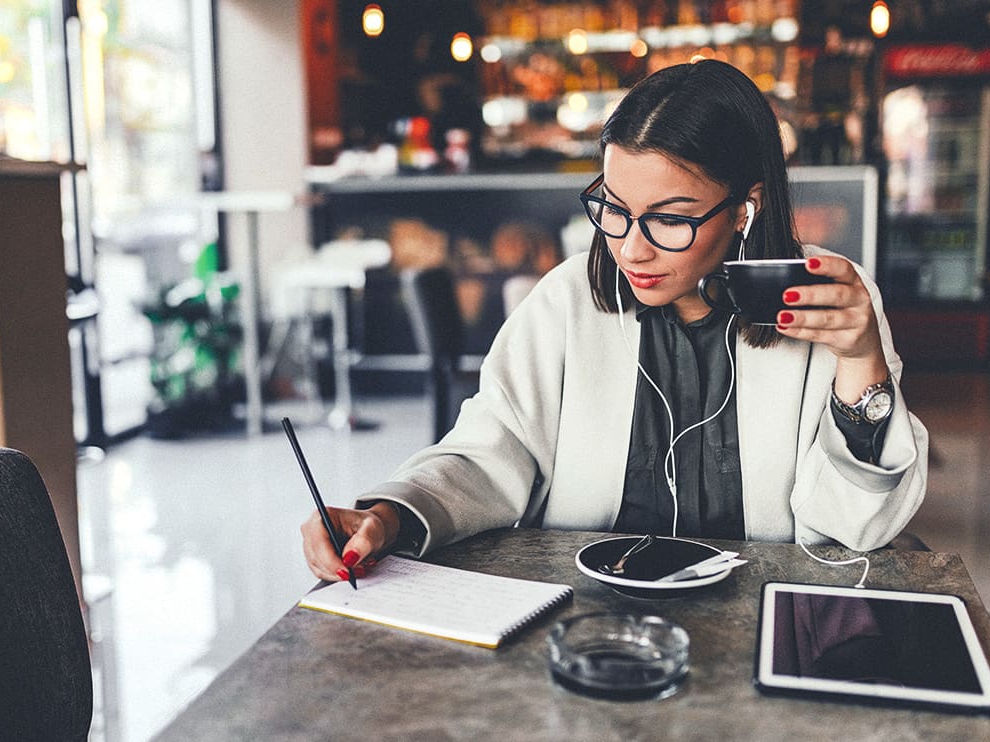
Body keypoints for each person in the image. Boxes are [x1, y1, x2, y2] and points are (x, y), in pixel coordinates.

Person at [302, 60, 928, 585]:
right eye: (615, 209)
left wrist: (862, 362)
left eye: (670, 218)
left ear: (746, 208)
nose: (631, 248)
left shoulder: (824, 302)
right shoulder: (567, 302)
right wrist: (389, 514)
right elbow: (487, 457)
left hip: (764, 618)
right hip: (584, 616)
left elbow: (857, 529)